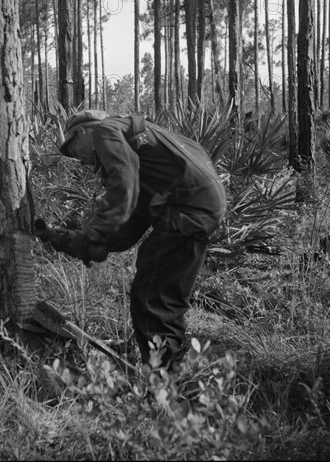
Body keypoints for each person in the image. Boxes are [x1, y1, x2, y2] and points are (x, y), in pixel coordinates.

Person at [37, 110, 227, 370]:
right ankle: (170, 374)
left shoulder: (106, 131)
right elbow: (134, 216)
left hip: (185, 207)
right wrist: (88, 242)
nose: (80, 161)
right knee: (163, 295)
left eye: (73, 150)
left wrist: (93, 233)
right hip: (201, 204)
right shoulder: (141, 141)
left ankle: (165, 382)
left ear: (83, 132)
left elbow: (123, 184)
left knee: (151, 299)